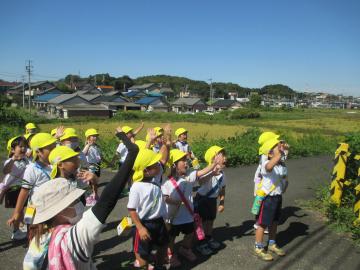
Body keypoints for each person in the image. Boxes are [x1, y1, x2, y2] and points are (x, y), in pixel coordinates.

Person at [23, 128, 138, 269]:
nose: (79, 204)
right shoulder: (74, 239)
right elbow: (108, 199)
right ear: (59, 211)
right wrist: (132, 151)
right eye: (73, 201)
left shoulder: (39, 238)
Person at [161, 149, 223, 267]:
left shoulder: (189, 174)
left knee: (190, 233)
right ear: (174, 165)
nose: (186, 163)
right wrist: (174, 201)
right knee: (171, 236)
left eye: (186, 160)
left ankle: (185, 249)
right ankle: (170, 254)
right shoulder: (167, 181)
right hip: (173, 215)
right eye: (182, 161)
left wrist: (214, 164)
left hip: (188, 214)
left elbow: (201, 172)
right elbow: (164, 197)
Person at [127, 148, 169, 269]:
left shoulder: (155, 180)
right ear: (146, 171)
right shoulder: (137, 187)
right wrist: (140, 228)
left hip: (159, 222)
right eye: (154, 164)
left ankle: (159, 266)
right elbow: (132, 209)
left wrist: (166, 144)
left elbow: (164, 160)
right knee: (143, 255)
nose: (158, 164)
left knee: (162, 247)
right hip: (144, 224)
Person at [7, 133, 56, 229]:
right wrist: (16, 213)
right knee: (34, 232)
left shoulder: (55, 165)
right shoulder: (31, 169)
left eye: (55, 148)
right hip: (33, 208)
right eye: (50, 149)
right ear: (38, 151)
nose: (54, 151)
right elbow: (24, 191)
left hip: (51, 206)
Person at [254, 137, 289, 261]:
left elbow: (284, 177)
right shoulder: (266, 163)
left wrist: (282, 151)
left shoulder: (281, 165)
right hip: (267, 198)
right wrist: (278, 155)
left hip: (277, 197)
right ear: (269, 153)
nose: (280, 149)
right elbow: (269, 167)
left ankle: (272, 243)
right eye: (276, 147)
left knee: (275, 222)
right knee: (262, 223)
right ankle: (258, 246)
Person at [195, 145, 227, 254]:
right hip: (202, 199)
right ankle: (201, 243)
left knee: (210, 220)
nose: (225, 158)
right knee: (202, 222)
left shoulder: (223, 174)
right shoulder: (208, 171)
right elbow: (201, 181)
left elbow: (222, 189)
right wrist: (212, 172)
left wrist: (222, 202)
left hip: (212, 201)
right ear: (213, 158)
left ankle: (208, 238)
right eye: (222, 156)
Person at [1, 136, 30, 240]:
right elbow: (5, 170)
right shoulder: (10, 161)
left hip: (24, 188)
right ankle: (16, 231)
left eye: (25, 147)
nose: (23, 149)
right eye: (20, 147)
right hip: (14, 189)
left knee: (23, 210)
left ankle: (21, 227)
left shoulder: (26, 160)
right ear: (13, 150)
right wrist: (13, 159)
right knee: (19, 210)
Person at [253, 132, 280, 233]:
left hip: (261, 178)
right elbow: (264, 169)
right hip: (261, 179)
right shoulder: (265, 154)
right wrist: (257, 185)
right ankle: (258, 222)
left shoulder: (266, 151)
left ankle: (260, 221)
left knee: (259, 199)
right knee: (259, 200)